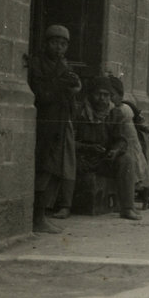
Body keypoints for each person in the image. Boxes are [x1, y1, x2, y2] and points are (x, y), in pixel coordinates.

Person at [28, 24, 82, 233]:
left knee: (51, 169)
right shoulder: (37, 64)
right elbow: (42, 94)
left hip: (59, 123)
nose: (58, 48)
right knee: (42, 167)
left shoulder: (63, 65)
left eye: (63, 44)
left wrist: (74, 87)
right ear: (46, 43)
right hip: (45, 124)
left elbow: (69, 92)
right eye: (54, 43)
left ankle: (41, 215)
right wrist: (62, 83)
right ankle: (37, 218)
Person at [75, 77, 142, 220]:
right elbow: (69, 142)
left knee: (126, 160)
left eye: (106, 95)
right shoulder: (79, 112)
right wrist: (87, 148)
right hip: (81, 159)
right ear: (90, 94)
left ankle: (127, 208)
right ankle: (65, 206)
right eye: (98, 94)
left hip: (103, 160)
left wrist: (115, 150)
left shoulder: (114, 114)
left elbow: (121, 140)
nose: (102, 99)